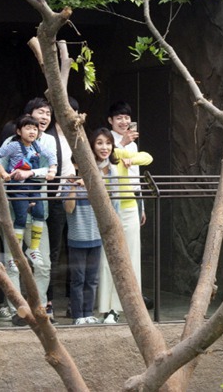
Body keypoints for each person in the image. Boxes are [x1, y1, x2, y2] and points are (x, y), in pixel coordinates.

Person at [0, 97, 57, 326]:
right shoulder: (12, 143)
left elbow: (51, 171)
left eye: (48, 113)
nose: (44, 118)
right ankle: (17, 310)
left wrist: (34, 173)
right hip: (14, 208)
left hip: (39, 210)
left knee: (42, 263)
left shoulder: (46, 143)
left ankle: (38, 308)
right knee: (13, 262)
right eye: (40, 113)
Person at [96, 110, 153, 324]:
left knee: (132, 255)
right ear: (110, 120)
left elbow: (142, 165)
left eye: (127, 118)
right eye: (119, 117)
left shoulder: (131, 143)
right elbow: (106, 158)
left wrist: (142, 205)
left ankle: (132, 305)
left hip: (132, 203)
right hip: (111, 206)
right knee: (109, 256)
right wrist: (120, 145)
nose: (124, 121)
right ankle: (109, 307)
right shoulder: (107, 142)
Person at [62, 128, 120, 325]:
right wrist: (72, 187)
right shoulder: (69, 182)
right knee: (77, 279)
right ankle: (78, 315)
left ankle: (88, 313)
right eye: (79, 162)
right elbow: (69, 209)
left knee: (92, 279)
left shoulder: (103, 178)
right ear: (76, 164)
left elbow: (111, 203)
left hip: (96, 237)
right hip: (77, 238)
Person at [0, 115, 56, 268]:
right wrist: (3, 173)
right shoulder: (14, 146)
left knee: (40, 213)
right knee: (20, 218)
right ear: (19, 131)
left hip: (33, 186)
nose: (32, 132)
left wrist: (53, 169)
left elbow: (52, 155)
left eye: (35, 129)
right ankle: (17, 255)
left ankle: (33, 249)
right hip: (18, 188)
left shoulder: (37, 146)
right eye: (28, 128)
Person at [44, 97, 79, 320]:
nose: (70, 114)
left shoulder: (78, 134)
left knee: (75, 249)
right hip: (54, 198)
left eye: (74, 111)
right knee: (53, 253)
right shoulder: (48, 137)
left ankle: (73, 303)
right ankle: (47, 302)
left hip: (75, 197)